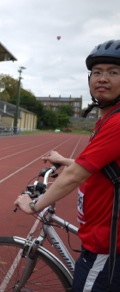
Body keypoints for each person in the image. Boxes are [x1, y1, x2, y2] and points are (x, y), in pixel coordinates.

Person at [14, 39, 120, 291]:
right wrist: (64, 160)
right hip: (101, 239)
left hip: (106, 247)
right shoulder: (108, 120)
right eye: (97, 72)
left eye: (113, 72)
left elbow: (73, 176)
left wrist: (33, 205)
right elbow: (102, 167)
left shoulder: (116, 123)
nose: (102, 78)